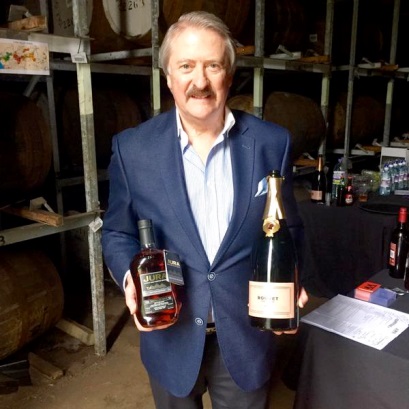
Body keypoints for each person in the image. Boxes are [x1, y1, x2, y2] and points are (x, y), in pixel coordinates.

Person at [102, 10, 308, 409]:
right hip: (169, 336)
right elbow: (117, 232)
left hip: (247, 335)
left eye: (213, 65)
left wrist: (293, 278)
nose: (200, 81)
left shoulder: (272, 142)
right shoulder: (133, 149)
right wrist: (131, 280)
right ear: (168, 77)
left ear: (229, 74)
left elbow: (292, 229)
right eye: (186, 66)